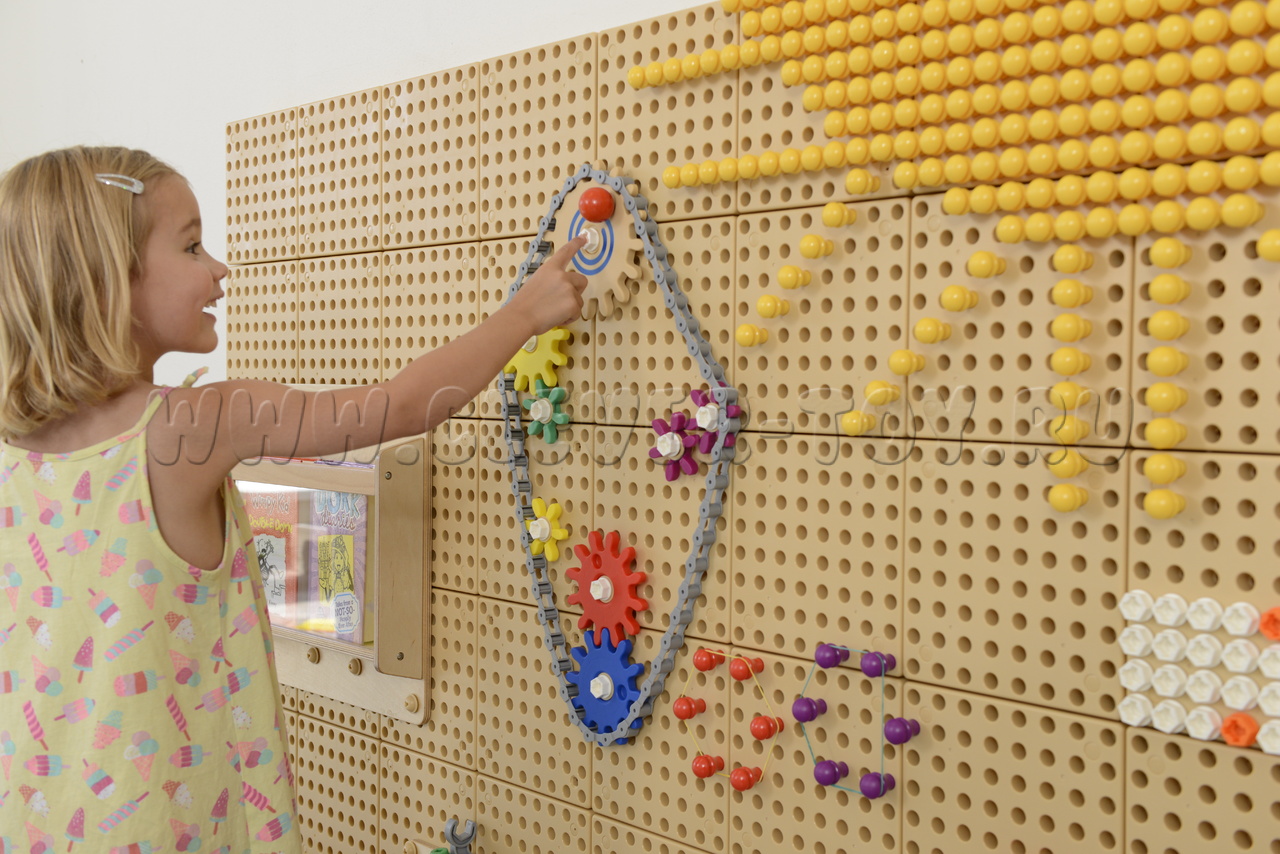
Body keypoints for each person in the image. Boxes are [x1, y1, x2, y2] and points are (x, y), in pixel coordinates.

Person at [0, 146, 588, 852]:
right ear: (106, 278)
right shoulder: (192, 426)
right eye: (191, 246)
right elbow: (400, 406)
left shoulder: (13, 454)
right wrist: (525, 313)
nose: (220, 268)